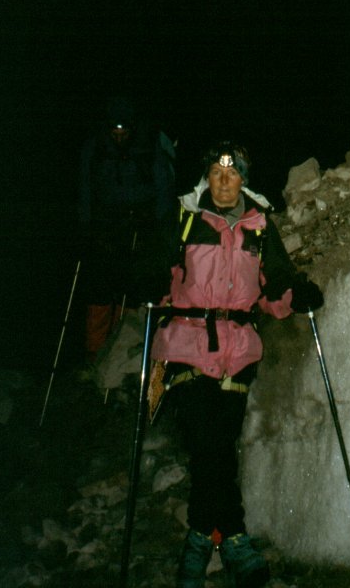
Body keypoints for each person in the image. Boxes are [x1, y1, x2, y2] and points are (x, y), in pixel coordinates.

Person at [152, 141, 323, 588]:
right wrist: (145, 275)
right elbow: (157, 268)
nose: (225, 182)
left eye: (233, 174)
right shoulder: (185, 218)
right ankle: (235, 540)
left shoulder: (261, 226)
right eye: (216, 173)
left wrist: (297, 294)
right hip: (187, 346)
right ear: (206, 177)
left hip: (238, 352)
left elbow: (275, 285)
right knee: (211, 448)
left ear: (244, 178)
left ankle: (200, 540)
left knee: (217, 451)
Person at [78, 96, 176, 358]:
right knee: (100, 289)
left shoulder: (148, 146)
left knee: (132, 290)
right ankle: (95, 353)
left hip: (140, 228)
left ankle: (121, 352)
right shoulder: (96, 147)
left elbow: (164, 189)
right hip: (105, 228)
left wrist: (159, 230)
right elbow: (85, 188)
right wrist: (86, 226)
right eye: (115, 130)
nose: (119, 135)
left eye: (124, 130)